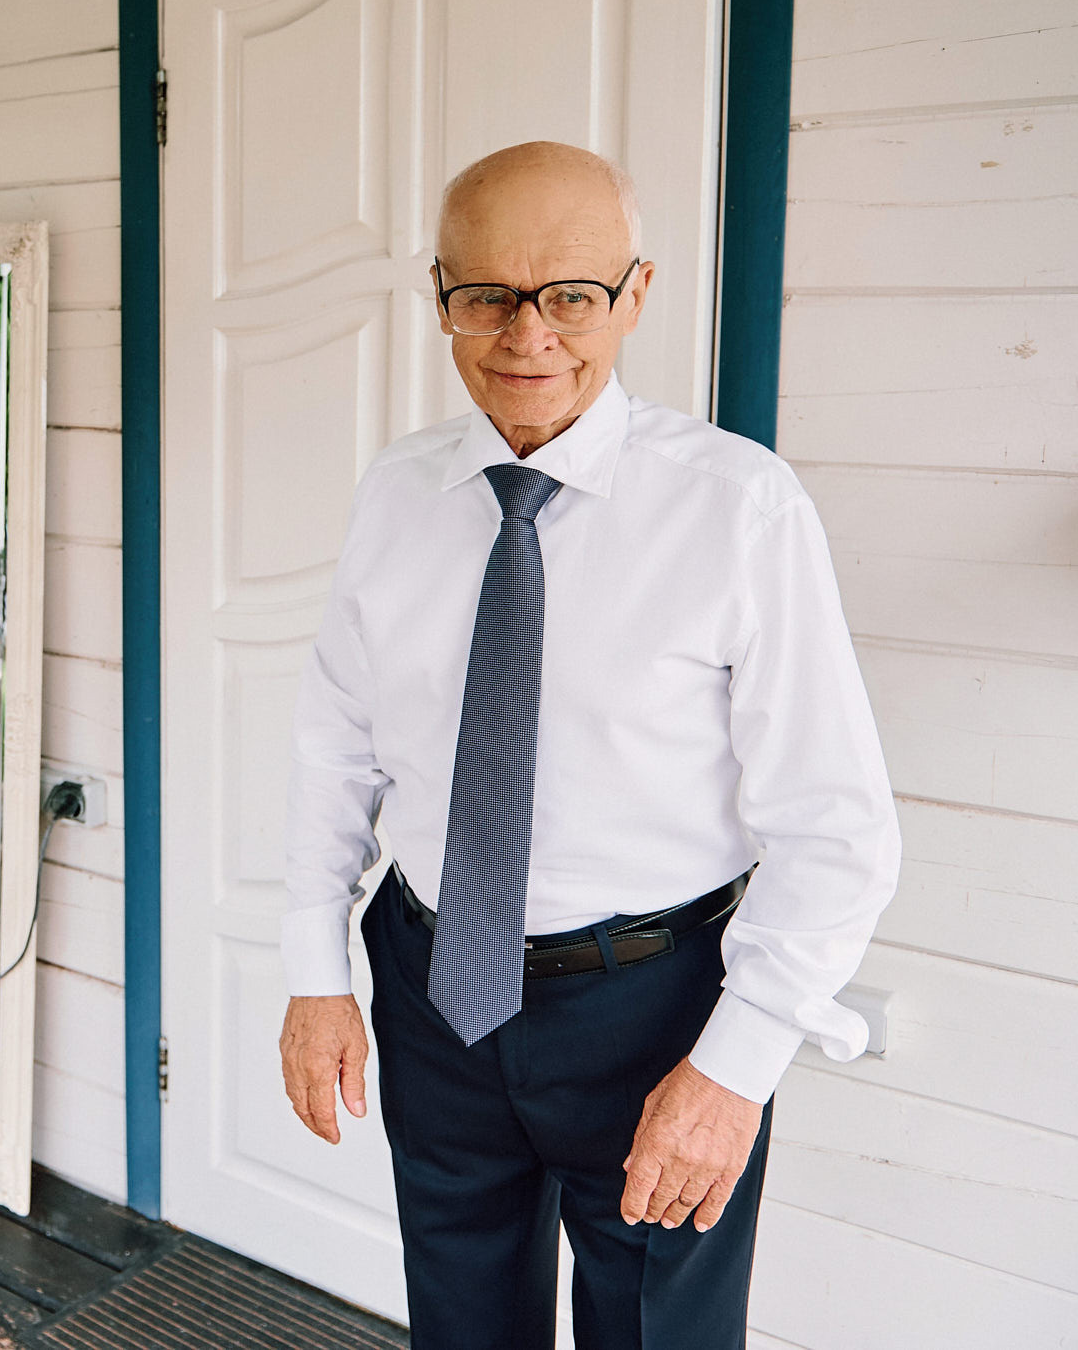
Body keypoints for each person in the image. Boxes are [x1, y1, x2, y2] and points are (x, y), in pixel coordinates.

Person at [277, 142, 901, 1348]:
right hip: (430, 987)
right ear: (442, 298)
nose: (529, 335)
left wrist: (734, 1071)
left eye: (571, 294)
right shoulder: (397, 493)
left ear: (638, 294)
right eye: (488, 297)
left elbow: (837, 831)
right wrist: (316, 972)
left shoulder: (740, 508)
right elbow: (336, 748)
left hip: (654, 1011)